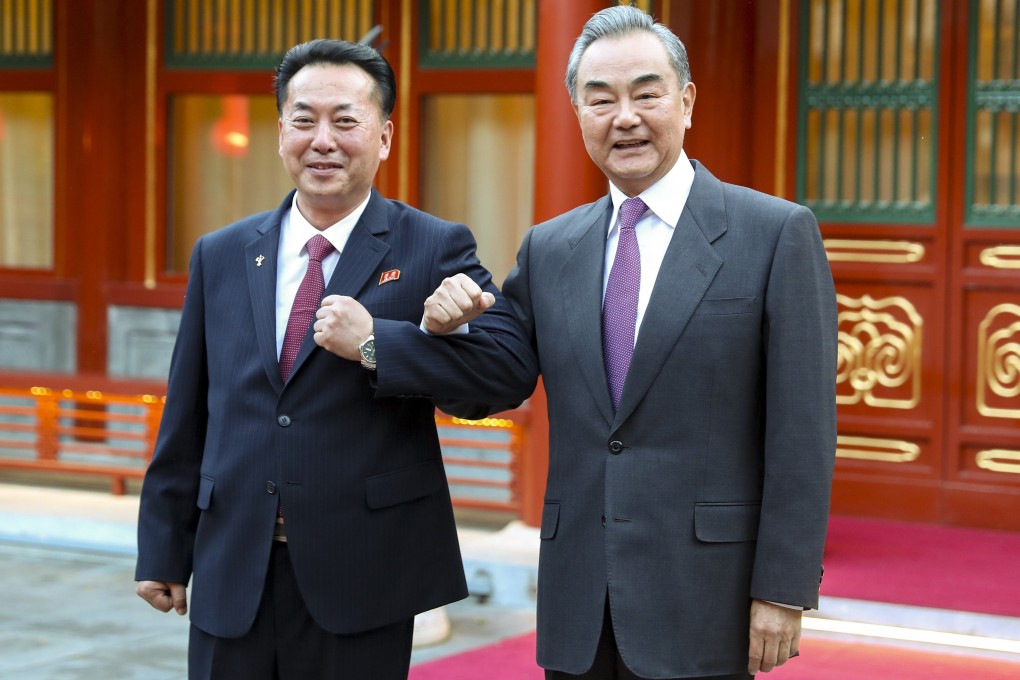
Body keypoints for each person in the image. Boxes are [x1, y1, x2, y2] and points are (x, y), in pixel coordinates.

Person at [423, 6, 837, 680]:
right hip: (578, 602)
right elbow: (494, 386)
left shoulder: (774, 235)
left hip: (707, 596)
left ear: (686, 100)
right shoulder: (551, 247)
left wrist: (784, 588)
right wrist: (449, 333)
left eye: (647, 93)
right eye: (601, 99)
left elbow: (803, 431)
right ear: (577, 112)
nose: (626, 117)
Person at [134, 39, 537, 680]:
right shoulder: (223, 253)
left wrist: (379, 342)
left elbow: (505, 377)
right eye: (304, 119)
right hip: (232, 562)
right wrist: (163, 545)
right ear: (280, 132)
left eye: (345, 121)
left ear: (383, 136)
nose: (323, 139)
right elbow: (189, 409)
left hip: (362, 572)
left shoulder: (433, 246)